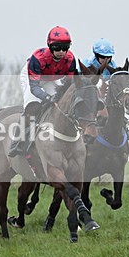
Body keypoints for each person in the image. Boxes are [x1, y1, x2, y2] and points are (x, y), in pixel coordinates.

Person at [8, 25, 79, 158]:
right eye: (57, 47)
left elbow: (70, 84)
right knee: (33, 107)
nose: (61, 51)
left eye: (65, 47)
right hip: (33, 79)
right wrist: (46, 97)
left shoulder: (70, 59)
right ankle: (17, 141)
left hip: (51, 78)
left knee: (62, 103)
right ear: (50, 45)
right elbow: (34, 87)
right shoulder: (38, 58)